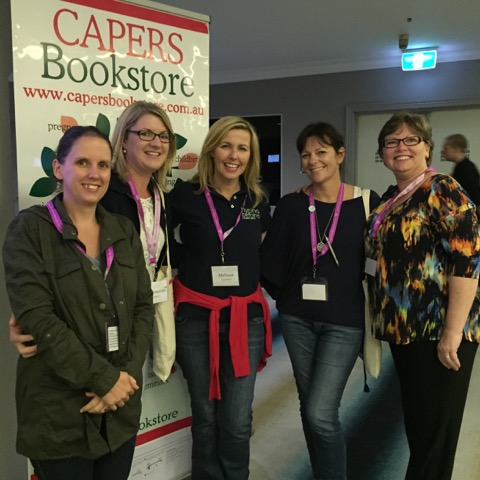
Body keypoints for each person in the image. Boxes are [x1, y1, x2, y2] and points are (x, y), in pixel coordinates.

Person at [2, 126, 154, 480]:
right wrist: (104, 380)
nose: (94, 174)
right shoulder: (29, 230)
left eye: (102, 165)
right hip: (59, 412)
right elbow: (38, 318)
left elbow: (143, 308)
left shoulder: (123, 230)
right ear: (58, 168)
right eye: (82, 162)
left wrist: (124, 379)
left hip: (120, 409)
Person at [11, 100, 177, 367]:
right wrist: (27, 317)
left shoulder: (163, 196)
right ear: (124, 140)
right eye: (146, 133)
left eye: (163, 135)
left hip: (140, 322)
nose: (156, 142)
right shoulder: (100, 195)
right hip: (87, 341)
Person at [260, 121, 380, 480]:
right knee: (308, 404)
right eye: (306, 154)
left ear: (340, 155)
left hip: (344, 322)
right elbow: (270, 260)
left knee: (320, 412)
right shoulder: (292, 205)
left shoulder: (367, 203)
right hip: (297, 319)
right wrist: (287, 299)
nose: (313, 160)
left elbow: (382, 259)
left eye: (321, 152)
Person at [364, 112, 480, 480]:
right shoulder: (393, 197)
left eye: (411, 139)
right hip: (406, 331)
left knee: (433, 441)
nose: (401, 147)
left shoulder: (441, 188)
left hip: (438, 331)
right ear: (382, 152)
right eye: (391, 142)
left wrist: (453, 331)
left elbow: (468, 259)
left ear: (427, 147)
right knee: (420, 429)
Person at [169, 116, 272, 480]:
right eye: (226, 146)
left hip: (246, 319)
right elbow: (158, 242)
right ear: (211, 150)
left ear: (251, 156)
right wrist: (188, 261)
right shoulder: (185, 196)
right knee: (205, 415)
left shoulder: (258, 200)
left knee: (238, 418)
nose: (233, 155)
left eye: (242, 148)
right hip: (196, 319)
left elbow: (260, 250)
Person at [441, 133, 480, 210]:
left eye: (446, 148)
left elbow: (475, 197)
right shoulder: (460, 168)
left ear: (456, 149)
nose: (442, 151)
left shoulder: (467, 169)